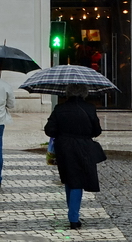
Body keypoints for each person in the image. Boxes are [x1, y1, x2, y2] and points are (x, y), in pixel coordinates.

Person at [43, 84, 103, 231]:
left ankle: (73, 213)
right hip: (83, 148)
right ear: (85, 93)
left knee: (69, 179)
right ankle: (73, 218)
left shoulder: (60, 108)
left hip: (63, 148)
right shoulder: (89, 108)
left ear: (67, 93)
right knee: (77, 181)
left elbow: (49, 130)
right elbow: (97, 131)